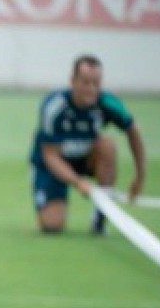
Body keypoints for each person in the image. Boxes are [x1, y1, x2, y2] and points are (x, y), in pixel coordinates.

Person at [29, 54, 146, 234]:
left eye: (96, 83)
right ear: (72, 81)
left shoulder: (107, 103)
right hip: (53, 163)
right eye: (85, 82)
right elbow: (50, 155)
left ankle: (100, 217)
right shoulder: (54, 106)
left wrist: (139, 176)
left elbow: (134, 130)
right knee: (52, 226)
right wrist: (78, 182)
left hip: (85, 159)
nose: (91, 89)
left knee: (108, 146)